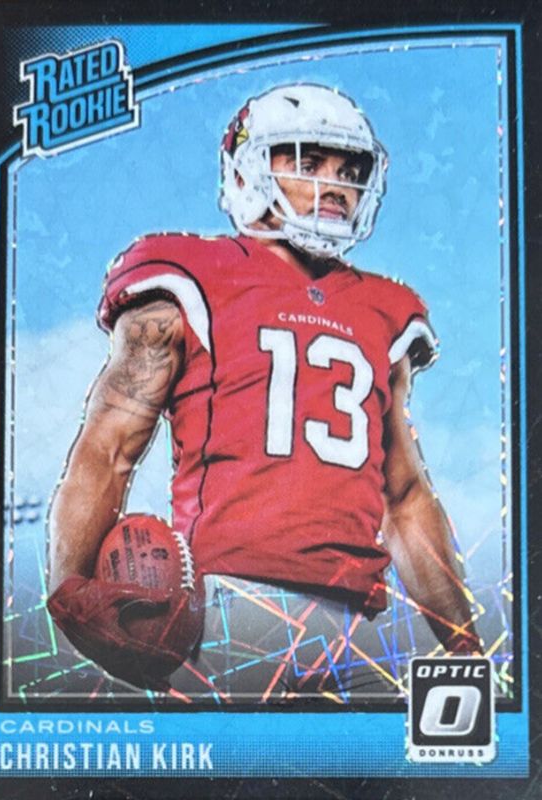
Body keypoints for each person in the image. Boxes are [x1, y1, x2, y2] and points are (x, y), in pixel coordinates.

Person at [47, 83, 481, 702]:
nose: (336, 185)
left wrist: (464, 647)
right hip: (222, 611)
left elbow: (405, 497)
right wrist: (70, 591)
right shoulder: (190, 276)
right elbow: (109, 447)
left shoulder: (387, 310)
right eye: (309, 161)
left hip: (359, 624)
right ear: (248, 171)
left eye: (350, 171)